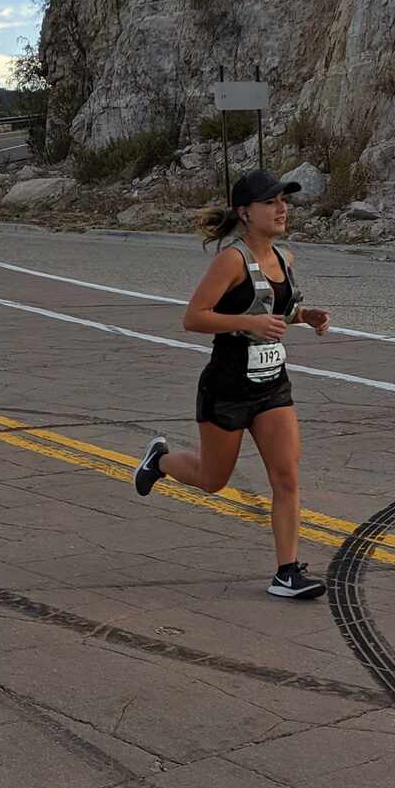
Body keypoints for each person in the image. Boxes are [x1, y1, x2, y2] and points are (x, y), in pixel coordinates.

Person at [133, 169, 331, 600]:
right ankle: (160, 461)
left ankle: (287, 573)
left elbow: (276, 310)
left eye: (284, 201)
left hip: (272, 387)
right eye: (271, 202)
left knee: (287, 477)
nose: (282, 209)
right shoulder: (231, 261)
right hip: (227, 387)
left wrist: (305, 316)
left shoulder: (285, 258)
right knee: (213, 479)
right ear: (245, 213)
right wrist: (248, 323)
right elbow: (194, 318)